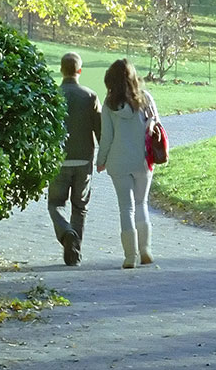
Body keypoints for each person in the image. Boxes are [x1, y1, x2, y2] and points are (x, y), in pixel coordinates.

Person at [96, 59, 160, 268]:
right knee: (142, 204)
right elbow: (156, 121)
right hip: (142, 160)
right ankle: (146, 250)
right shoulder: (146, 99)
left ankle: (130, 256)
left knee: (126, 208)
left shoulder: (109, 105)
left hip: (118, 161)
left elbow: (106, 137)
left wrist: (101, 160)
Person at [50, 53, 100, 266]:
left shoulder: (53, 95)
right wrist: (103, 156)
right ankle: (74, 254)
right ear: (80, 71)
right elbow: (100, 130)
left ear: (61, 70)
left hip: (58, 160)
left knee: (55, 204)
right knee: (80, 207)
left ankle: (65, 231)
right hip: (83, 160)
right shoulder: (90, 96)